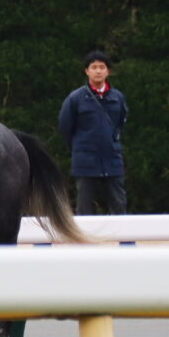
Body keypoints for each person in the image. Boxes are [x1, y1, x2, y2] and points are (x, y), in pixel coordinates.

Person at [58, 49, 128, 215]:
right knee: (84, 206)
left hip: (112, 158)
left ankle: (126, 240)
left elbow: (121, 123)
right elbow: (65, 127)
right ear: (87, 71)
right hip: (85, 160)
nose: (98, 71)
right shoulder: (75, 98)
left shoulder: (118, 97)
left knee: (118, 202)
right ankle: (83, 240)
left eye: (102, 67)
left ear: (108, 71)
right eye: (94, 67)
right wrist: (80, 147)